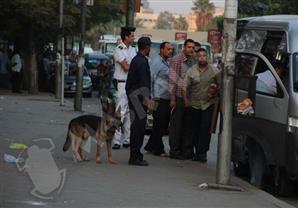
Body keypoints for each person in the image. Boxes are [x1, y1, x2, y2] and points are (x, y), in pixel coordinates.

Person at [182, 48, 220, 162]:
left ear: (207, 57)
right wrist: (186, 100)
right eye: (200, 56)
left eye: (204, 56)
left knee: (205, 129)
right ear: (196, 58)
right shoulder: (191, 71)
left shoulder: (214, 70)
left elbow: (222, 84)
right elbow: (184, 87)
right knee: (194, 129)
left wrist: (215, 91)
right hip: (194, 105)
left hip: (208, 104)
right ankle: (193, 152)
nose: (202, 58)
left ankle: (202, 153)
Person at [125, 37, 153, 166]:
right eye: (149, 47)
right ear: (146, 47)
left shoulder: (137, 60)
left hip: (134, 96)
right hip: (138, 98)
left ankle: (136, 154)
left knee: (137, 126)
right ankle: (135, 156)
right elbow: (143, 83)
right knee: (138, 127)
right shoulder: (141, 62)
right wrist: (148, 100)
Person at [144, 41, 173, 157]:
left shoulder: (167, 62)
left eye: (171, 49)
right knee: (159, 124)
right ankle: (158, 148)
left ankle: (151, 145)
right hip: (158, 98)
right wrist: (150, 98)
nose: (170, 51)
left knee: (162, 124)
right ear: (162, 50)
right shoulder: (156, 62)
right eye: (168, 49)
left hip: (165, 97)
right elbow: (150, 79)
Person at [168, 39, 195, 160]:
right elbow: (172, 80)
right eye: (189, 47)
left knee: (186, 126)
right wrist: (172, 98)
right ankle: (174, 150)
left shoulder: (192, 60)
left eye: (193, 48)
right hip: (178, 96)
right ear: (184, 47)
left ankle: (184, 150)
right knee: (176, 125)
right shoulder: (177, 59)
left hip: (189, 97)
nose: (191, 50)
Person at [112, 27, 137, 149]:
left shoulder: (133, 49)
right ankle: (116, 140)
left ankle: (127, 140)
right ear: (126, 37)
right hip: (121, 84)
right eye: (132, 36)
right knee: (120, 112)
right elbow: (126, 67)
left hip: (131, 83)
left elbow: (131, 65)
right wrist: (132, 65)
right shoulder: (118, 49)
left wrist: (131, 64)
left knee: (128, 113)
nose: (134, 38)